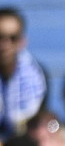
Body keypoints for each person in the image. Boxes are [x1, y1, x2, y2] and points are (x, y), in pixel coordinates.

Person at [0, 8, 48, 139]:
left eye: (13, 38)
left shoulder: (37, 77)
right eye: (0, 37)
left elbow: (35, 126)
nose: (5, 45)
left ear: (22, 41)